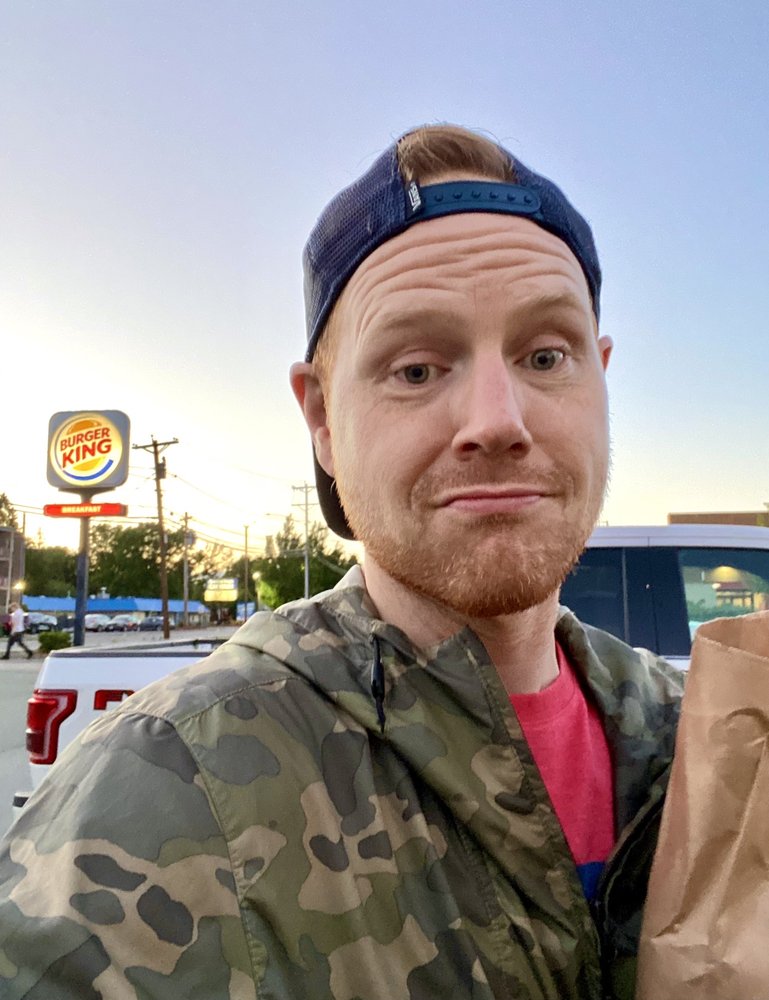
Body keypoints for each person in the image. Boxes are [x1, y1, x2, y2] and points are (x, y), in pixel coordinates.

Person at [0, 125, 683, 1000]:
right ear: (322, 419)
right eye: (416, 369)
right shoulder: (161, 793)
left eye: (546, 356)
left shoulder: (707, 738)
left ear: (600, 376)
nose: (497, 419)